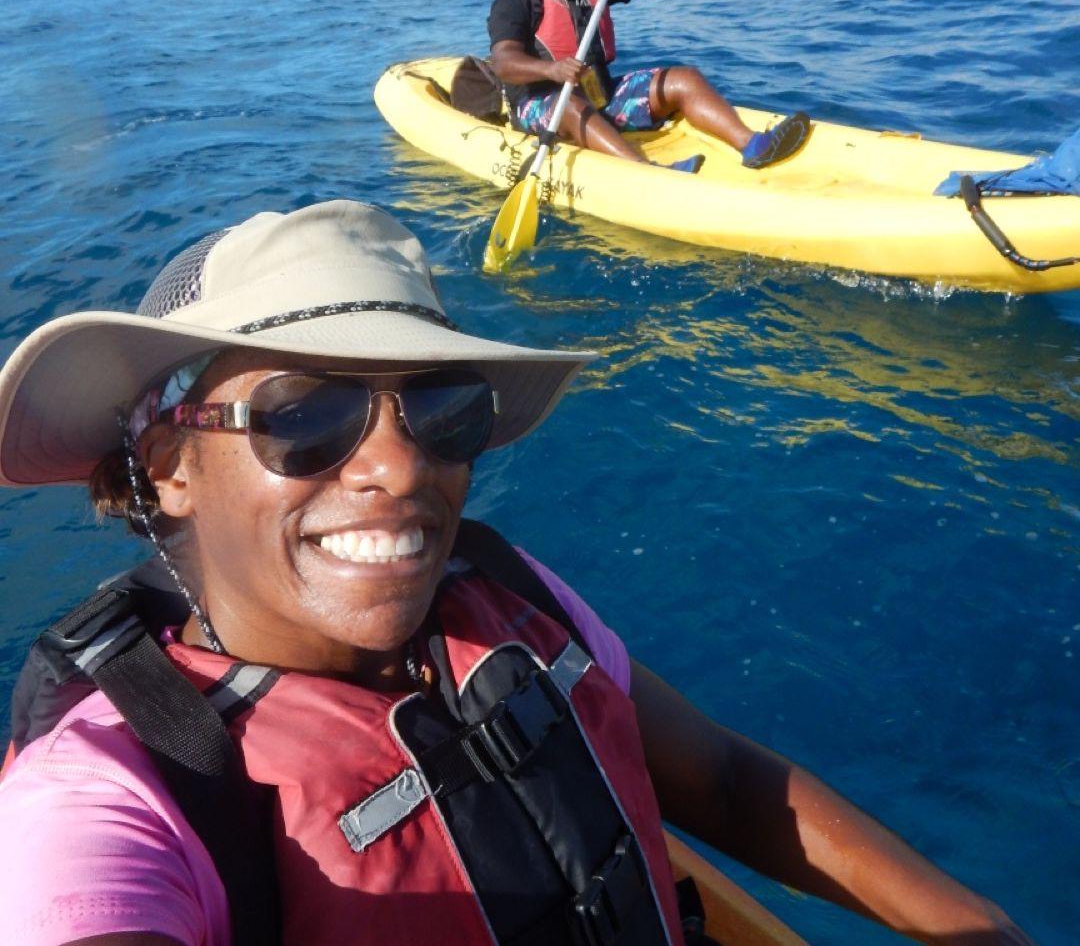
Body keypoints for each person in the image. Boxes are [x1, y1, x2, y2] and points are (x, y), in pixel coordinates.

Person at [0, 200, 1030, 945]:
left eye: (442, 409)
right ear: (171, 468)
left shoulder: (507, 595)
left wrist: (980, 929)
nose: (402, 467)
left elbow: (718, 778)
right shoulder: (117, 791)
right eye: (305, 414)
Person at [487, 0, 812, 174]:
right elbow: (504, 61)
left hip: (600, 94)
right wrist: (552, 70)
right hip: (543, 105)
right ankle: (644, 175)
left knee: (684, 79)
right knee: (570, 103)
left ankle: (754, 145)